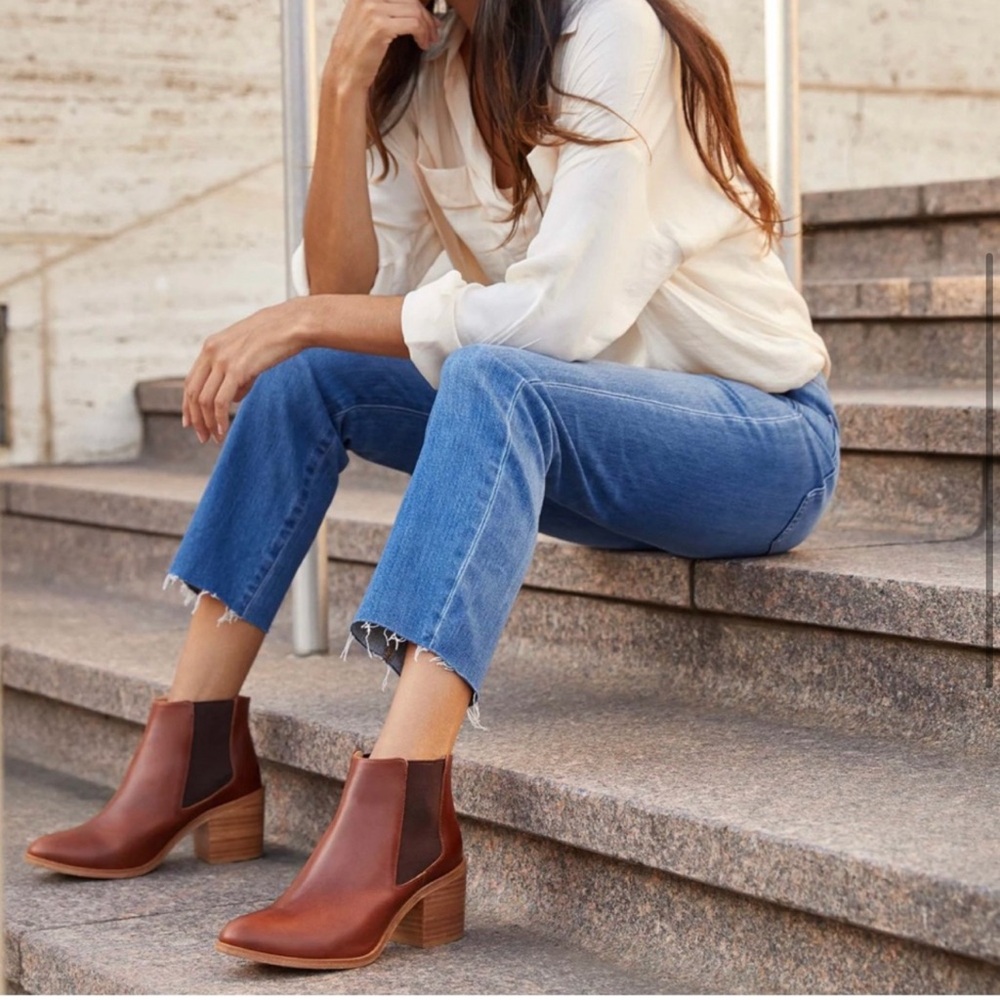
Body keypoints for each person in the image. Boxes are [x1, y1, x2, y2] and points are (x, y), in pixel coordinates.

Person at [24, 0, 840, 972]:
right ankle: (194, 754)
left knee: (491, 375)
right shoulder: (435, 56)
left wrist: (303, 315)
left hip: (754, 440)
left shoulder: (612, 27)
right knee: (306, 375)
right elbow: (337, 294)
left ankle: (403, 815)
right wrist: (341, 88)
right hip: (586, 429)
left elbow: (558, 313)